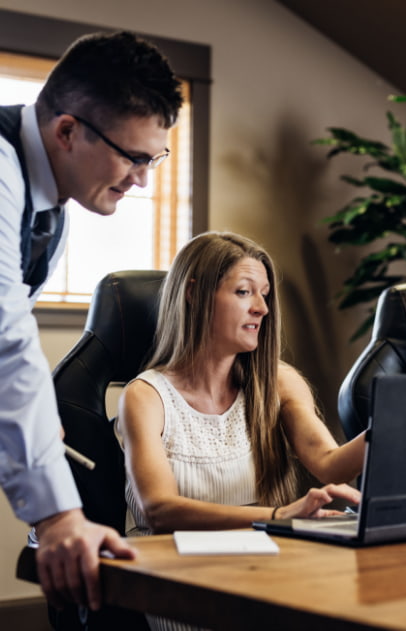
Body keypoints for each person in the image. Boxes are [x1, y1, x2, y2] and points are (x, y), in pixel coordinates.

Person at [0, 30, 183, 613]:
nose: (143, 180)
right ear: (67, 130)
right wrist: (57, 516)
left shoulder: (54, 204)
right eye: (133, 158)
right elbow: (6, 339)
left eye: (155, 159)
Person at [115, 231, 363, 630]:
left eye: (265, 295)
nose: (263, 308)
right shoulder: (145, 396)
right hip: (180, 580)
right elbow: (158, 510)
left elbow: (331, 465)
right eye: (245, 292)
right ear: (194, 293)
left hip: (264, 568)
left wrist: (391, 426)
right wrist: (281, 515)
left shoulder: (277, 382)